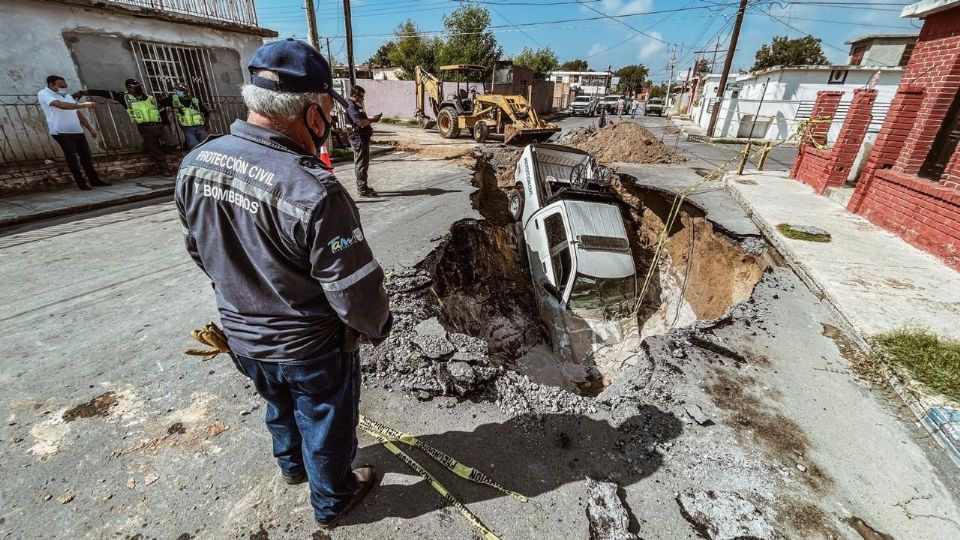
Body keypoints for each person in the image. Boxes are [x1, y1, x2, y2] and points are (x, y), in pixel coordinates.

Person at [175, 38, 391, 529]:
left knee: (277, 402)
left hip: (243, 336)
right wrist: (377, 327)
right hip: (308, 346)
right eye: (326, 113)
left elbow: (199, 250)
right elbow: (353, 289)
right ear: (312, 113)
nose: (329, 124)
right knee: (325, 420)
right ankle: (333, 498)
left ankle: (292, 467)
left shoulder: (196, 163)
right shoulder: (313, 188)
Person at [83, 79, 172, 175]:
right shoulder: (124, 97)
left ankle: (151, 149)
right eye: (134, 87)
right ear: (129, 88)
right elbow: (105, 93)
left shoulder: (150, 98)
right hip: (144, 127)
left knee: (172, 143)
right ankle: (164, 169)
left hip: (159, 126)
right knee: (155, 149)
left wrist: (166, 124)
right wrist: (84, 92)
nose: (137, 88)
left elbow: (162, 110)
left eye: (138, 86)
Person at [37, 75, 110, 191]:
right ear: (51, 83)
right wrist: (85, 105)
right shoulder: (44, 94)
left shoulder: (65, 95)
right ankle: (81, 182)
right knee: (72, 158)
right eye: (60, 83)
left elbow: (76, 112)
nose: (63, 85)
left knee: (86, 156)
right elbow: (61, 106)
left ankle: (94, 180)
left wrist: (90, 127)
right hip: (61, 131)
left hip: (76, 130)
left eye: (63, 83)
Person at [345, 85, 382, 197]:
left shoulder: (356, 105)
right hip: (358, 138)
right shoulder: (351, 106)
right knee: (361, 164)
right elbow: (360, 123)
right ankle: (362, 189)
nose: (363, 98)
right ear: (355, 95)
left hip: (362, 137)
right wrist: (373, 120)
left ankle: (363, 186)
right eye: (361, 96)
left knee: (364, 163)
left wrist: (371, 119)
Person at [168, 83, 209, 150]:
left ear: (184, 91)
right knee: (193, 144)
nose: (176, 92)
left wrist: (207, 123)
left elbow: (205, 112)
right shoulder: (175, 100)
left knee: (205, 143)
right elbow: (163, 102)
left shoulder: (194, 100)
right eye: (176, 90)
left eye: (178, 90)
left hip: (199, 126)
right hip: (187, 127)